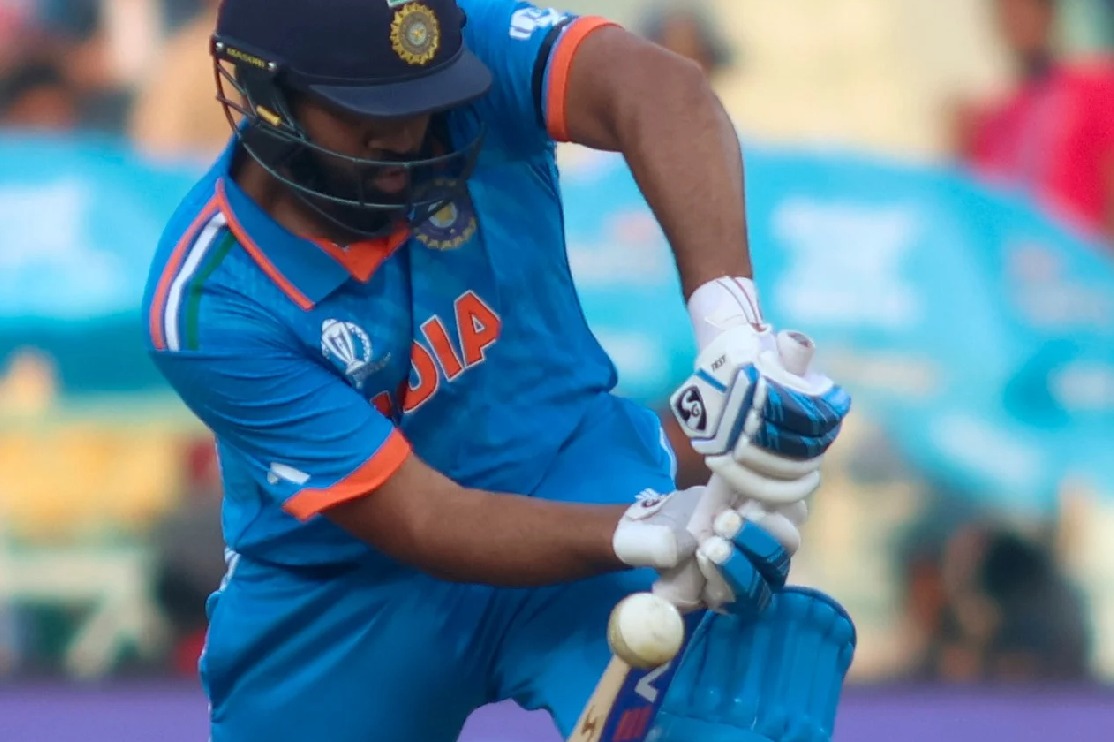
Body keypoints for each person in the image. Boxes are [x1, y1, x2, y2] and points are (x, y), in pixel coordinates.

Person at [142, 1, 854, 740]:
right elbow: (422, 518)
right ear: (265, 92)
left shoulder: (463, 51)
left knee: (715, 718)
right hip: (343, 586)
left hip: (568, 470)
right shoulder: (208, 300)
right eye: (366, 110)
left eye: (422, 100)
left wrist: (730, 331)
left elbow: (661, 87)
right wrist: (647, 529)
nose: (406, 134)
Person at [953, 0, 1114, 243]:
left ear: (1047, 14)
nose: (1015, 23)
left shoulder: (1094, 88)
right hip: (1021, 257)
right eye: (1007, 14)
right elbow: (981, 207)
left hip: (1083, 254)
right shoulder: (993, 121)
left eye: (1023, 11)